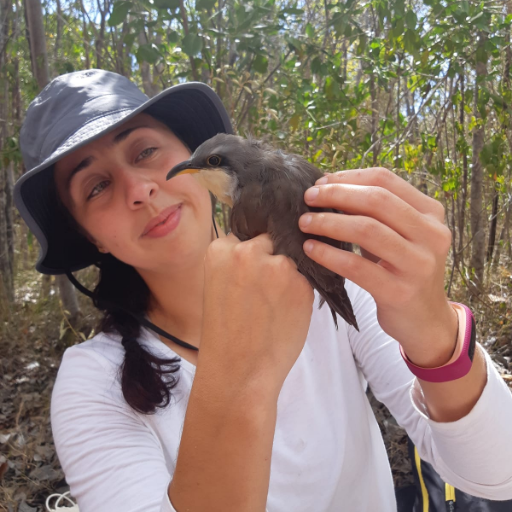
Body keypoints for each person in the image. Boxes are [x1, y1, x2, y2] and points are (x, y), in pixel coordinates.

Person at [13, 69, 512, 512]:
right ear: (88, 237)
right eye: (96, 187)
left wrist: (434, 331)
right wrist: (241, 380)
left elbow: (497, 472)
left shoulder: (330, 278)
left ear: (193, 157)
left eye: (145, 151)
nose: (140, 188)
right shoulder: (92, 383)